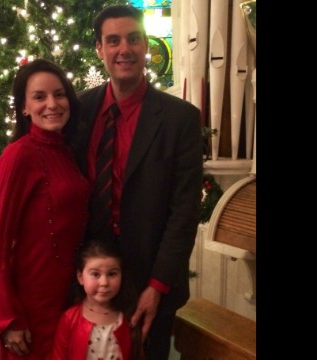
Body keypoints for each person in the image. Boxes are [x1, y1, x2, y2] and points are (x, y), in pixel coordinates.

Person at [74, 5, 203, 360]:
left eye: (133, 39)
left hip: (149, 280)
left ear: (147, 45)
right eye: (113, 41)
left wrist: (156, 287)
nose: (124, 49)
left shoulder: (180, 120)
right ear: (100, 49)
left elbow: (184, 211)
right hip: (86, 280)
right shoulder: (77, 111)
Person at [0, 58, 90, 360]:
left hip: (68, 298)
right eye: (39, 97)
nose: (52, 104)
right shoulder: (18, 156)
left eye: (59, 94)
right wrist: (6, 319)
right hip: (29, 305)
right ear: (24, 108)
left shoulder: (66, 151)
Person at [50, 239, 143, 360]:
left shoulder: (128, 317)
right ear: (80, 277)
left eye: (112, 274)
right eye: (95, 274)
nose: (104, 282)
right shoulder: (69, 319)